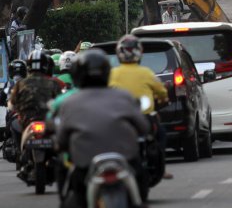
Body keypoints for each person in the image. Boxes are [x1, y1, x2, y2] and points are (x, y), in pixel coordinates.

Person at [56, 49, 150, 206]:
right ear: (107, 73)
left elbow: (61, 139)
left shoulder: (69, 102)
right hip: (126, 159)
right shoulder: (123, 96)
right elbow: (143, 127)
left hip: (85, 164)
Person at [108, 35, 172, 179]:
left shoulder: (112, 74)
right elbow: (162, 92)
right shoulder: (146, 72)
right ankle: (161, 168)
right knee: (160, 134)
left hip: (118, 119)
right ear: (139, 53)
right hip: (144, 118)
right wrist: (163, 99)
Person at [9, 50, 61, 180]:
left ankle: (20, 153)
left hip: (27, 122)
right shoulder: (53, 83)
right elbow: (61, 102)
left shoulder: (21, 84)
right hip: (49, 122)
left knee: (14, 125)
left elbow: (12, 103)